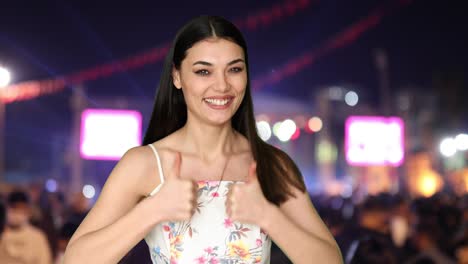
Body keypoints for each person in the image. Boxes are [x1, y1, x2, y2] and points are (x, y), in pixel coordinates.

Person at [63, 15, 342, 264]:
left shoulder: (272, 165)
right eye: (203, 71)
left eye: (234, 69)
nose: (221, 85)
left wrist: (269, 216)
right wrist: (152, 209)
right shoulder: (145, 163)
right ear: (177, 76)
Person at [2, 190, 53, 264]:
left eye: (22, 209)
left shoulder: (37, 237)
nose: (18, 213)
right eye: (14, 208)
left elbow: (45, 261)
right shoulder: (2, 233)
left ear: (28, 210)